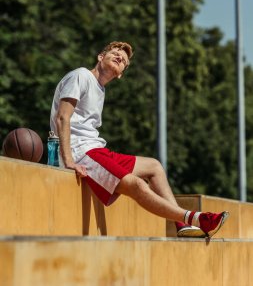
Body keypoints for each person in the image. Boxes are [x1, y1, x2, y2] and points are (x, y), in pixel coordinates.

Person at [50, 41, 229, 238]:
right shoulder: (81, 75)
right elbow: (62, 117)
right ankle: (196, 218)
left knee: (154, 167)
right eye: (115, 52)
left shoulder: (100, 89)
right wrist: (69, 161)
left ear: (120, 74)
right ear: (100, 57)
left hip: (96, 149)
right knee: (136, 185)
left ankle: (181, 225)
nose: (120, 57)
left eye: (124, 60)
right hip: (81, 152)